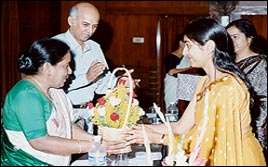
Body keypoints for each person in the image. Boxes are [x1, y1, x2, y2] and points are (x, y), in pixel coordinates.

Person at [124, 17, 266, 165]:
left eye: (189, 45)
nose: (185, 52)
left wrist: (159, 138)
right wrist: (137, 129)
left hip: (237, 157)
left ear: (209, 46)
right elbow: (181, 126)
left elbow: (210, 140)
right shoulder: (204, 82)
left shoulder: (227, 87)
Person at [1, 38, 129, 166]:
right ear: (47, 68)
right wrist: (91, 146)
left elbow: (66, 127)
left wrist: (98, 142)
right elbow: (40, 141)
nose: (70, 71)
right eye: (66, 66)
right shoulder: (25, 96)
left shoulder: (55, 90)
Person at [53, 2, 139, 133]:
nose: (90, 31)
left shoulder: (94, 47)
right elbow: (50, 85)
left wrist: (121, 82)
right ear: (71, 21)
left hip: (88, 114)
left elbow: (103, 84)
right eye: (85, 24)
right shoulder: (54, 45)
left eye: (94, 26)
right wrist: (86, 78)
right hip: (62, 113)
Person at [226, 18, 267, 163]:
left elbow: (262, 97)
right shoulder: (227, 64)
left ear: (249, 39)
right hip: (230, 120)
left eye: (235, 37)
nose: (231, 41)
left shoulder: (261, 63)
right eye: (228, 37)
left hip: (254, 123)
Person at [164, 33, 191, 110]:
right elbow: (171, 72)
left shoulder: (189, 56)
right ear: (180, 43)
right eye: (186, 42)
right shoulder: (171, 57)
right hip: (173, 84)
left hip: (185, 85)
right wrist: (189, 69)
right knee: (172, 105)